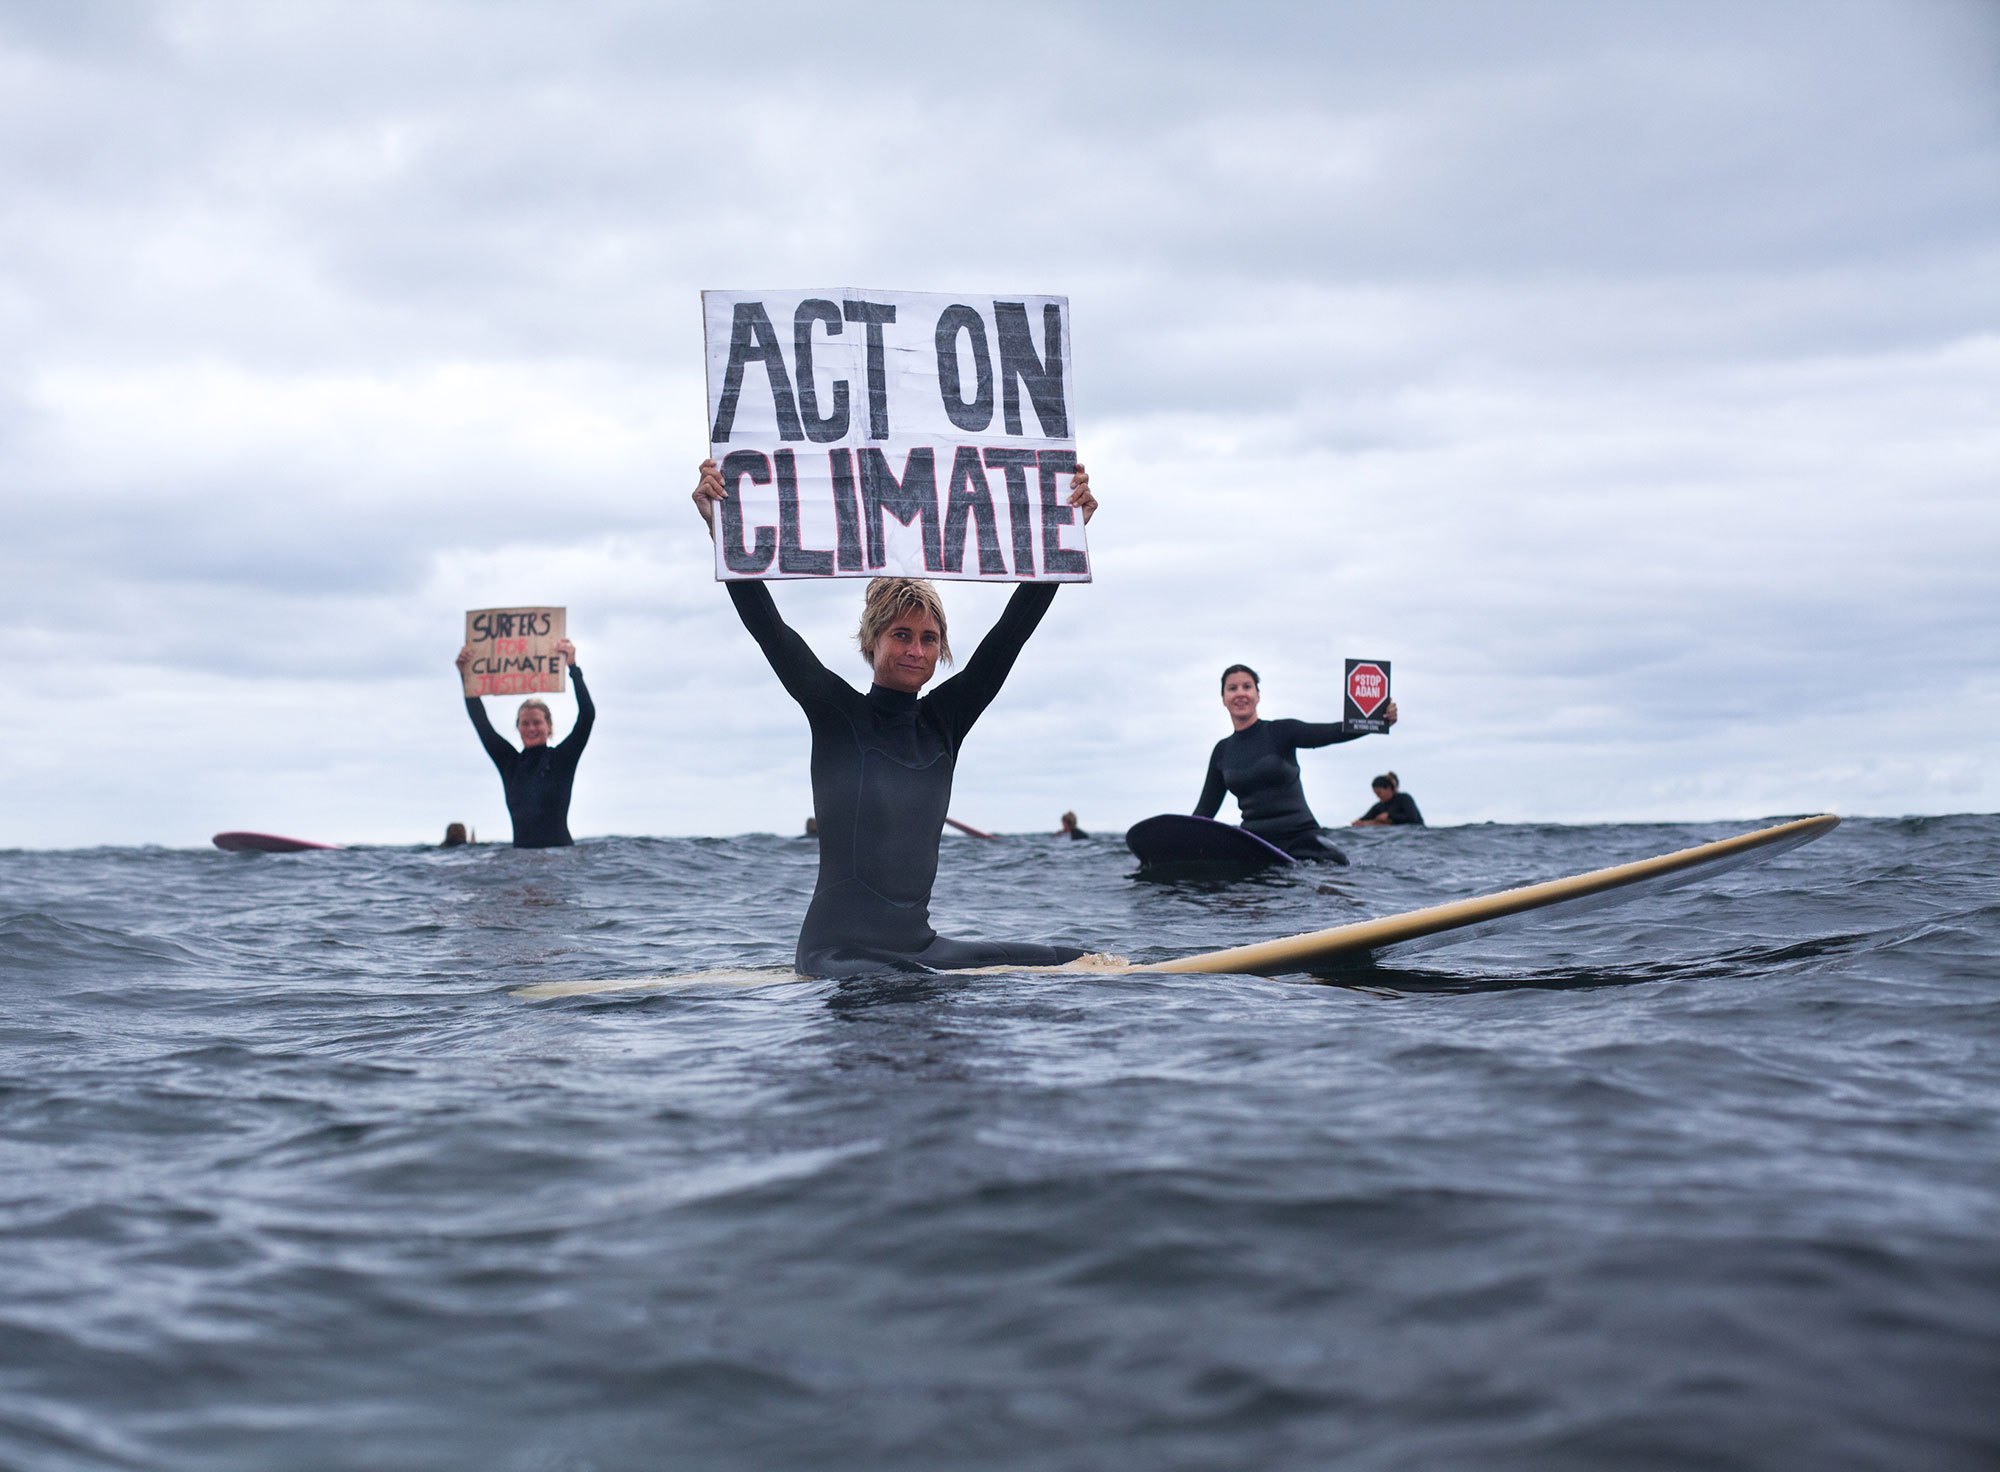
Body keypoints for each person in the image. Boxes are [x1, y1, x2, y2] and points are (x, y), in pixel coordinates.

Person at [693, 456, 1097, 978]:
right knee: (919, 989)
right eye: (901, 635)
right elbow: (771, 629)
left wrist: (1064, 531)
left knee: (1078, 959)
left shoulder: (945, 721)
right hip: (835, 956)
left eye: (928, 639)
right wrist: (720, 527)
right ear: (872, 641)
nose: (915, 650)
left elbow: (1010, 632)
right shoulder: (838, 714)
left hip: (918, 949)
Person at [1193, 663, 1398, 861]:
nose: (1240, 693)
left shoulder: (1281, 732)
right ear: (1223, 699)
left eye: (1247, 687)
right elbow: (1205, 812)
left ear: (1257, 696)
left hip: (1302, 837)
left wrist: (1378, 720)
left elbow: (1330, 733)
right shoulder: (1223, 751)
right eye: (1232, 688)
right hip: (1257, 844)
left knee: (1336, 866)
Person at [454, 638, 593, 848]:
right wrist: (466, 675)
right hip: (520, 861)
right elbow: (480, 722)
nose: (531, 728)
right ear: (518, 727)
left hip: (560, 859)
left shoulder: (563, 759)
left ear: (549, 726)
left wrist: (573, 668)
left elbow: (587, 716)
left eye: (537, 722)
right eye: (525, 723)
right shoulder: (509, 762)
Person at [1353, 772, 1424, 827]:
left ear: (1389, 788)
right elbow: (1365, 818)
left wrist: (1390, 816)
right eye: (1375, 794)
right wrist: (1359, 822)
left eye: (1379, 793)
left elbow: (1412, 818)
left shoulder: (1404, 798)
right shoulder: (1379, 806)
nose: (1377, 796)